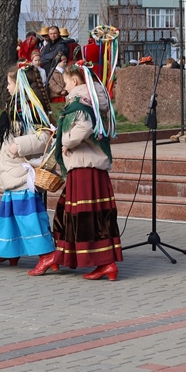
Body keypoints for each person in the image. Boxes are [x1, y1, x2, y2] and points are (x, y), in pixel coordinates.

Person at [0, 64, 56, 274]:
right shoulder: (15, 108)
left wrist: (19, 146)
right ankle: (8, 250)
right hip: (12, 175)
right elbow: (6, 137)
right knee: (8, 218)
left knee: (30, 220)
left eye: (9, 83)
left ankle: (47, 254)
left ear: (21, 85)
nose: (7, 87)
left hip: (22, 175)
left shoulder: (32, 111)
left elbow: (45, 136)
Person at [49, 63, 123, 280]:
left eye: (65, 83)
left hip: (85, 167)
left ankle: (104, 262)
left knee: (89, 217)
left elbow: (83, 128)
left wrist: (65, 141)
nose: (64, 88)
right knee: (95, 215)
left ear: (75, 81)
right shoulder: (89, 101)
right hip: (86, 165)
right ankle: (103, 263)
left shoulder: (81, 104)